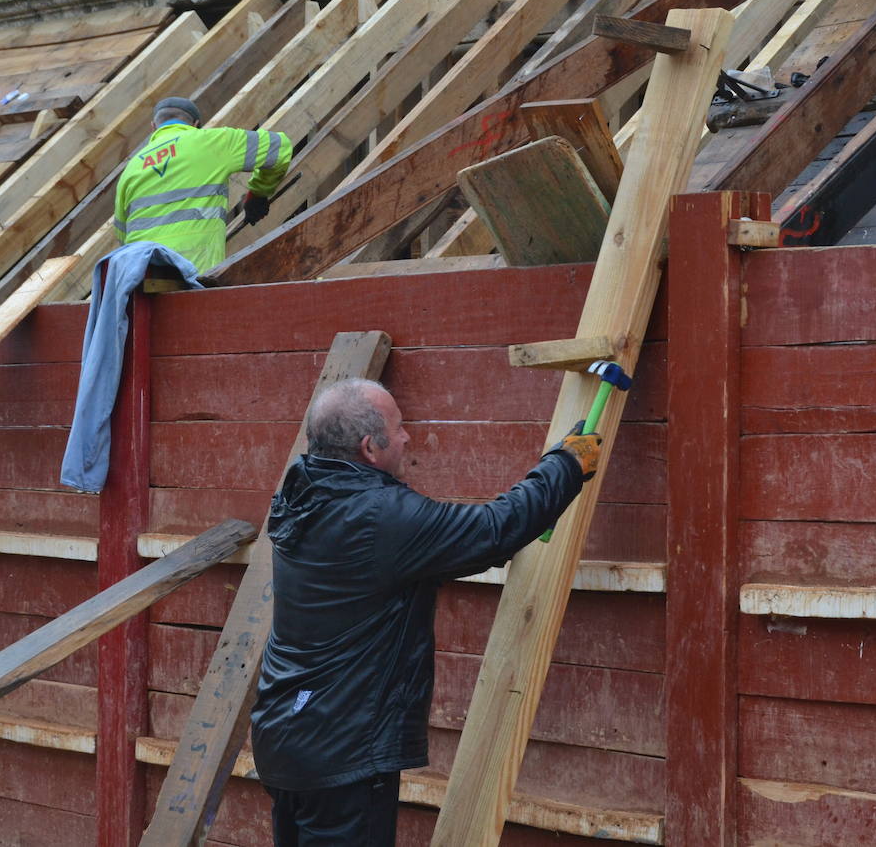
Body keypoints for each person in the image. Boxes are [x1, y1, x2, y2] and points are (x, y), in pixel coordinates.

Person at [251, 379, 602, 846]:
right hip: (343, 753)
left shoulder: (300, 492)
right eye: (398, 429)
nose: (407, 437)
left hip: (286, 737)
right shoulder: (380, 517)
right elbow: (497, 530)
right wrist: (566, 464)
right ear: (369, 448)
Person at [113, 96, 291, 271]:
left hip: (139, 274)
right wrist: (258, 192)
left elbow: (122, 234)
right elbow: (280, 148)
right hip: (195, 270)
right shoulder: (213, 141)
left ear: (153, 127)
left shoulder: (132, 168)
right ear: (196, 124)